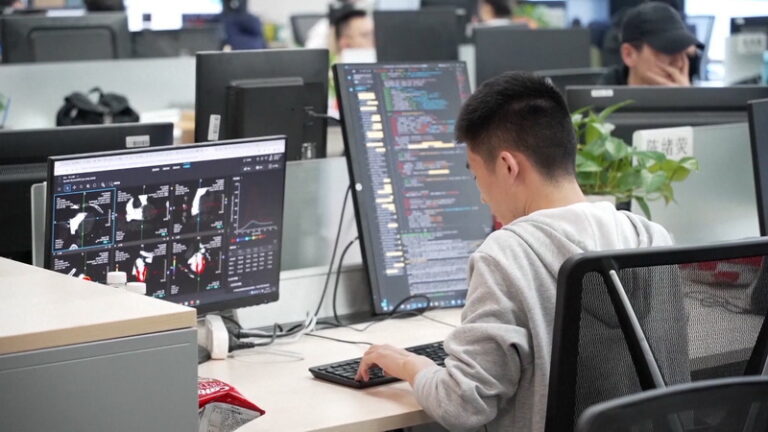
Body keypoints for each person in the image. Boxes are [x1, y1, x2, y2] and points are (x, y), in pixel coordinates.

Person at [355, 72, 673, 432]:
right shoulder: (651, 237)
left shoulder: (506, 255)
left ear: (507, 166)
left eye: (477, 177)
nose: (482, 197)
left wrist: (410, 365)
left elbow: (463, 405)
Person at [599, 2, 704, 86]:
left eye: (684, 52)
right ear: (629, 54)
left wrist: (685, 99)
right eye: (668, 51)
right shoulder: (600, 102)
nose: (679, 64)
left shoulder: (697, 99)